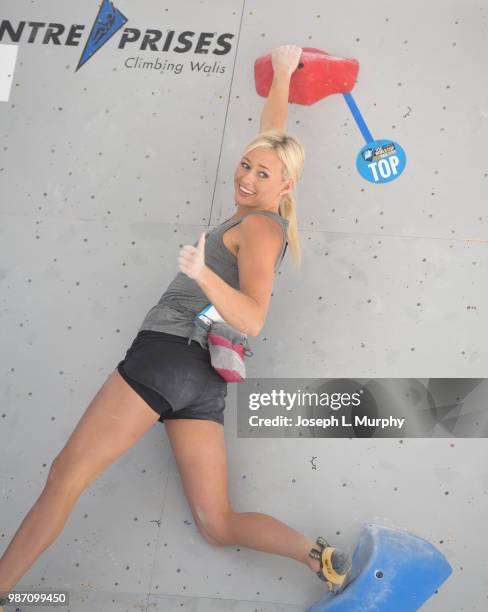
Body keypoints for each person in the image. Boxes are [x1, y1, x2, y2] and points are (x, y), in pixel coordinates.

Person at [0, 45, 352, 610]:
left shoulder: (260, 228)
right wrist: (283, 74)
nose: (247, 175)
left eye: (262, 174)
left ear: (285, 187)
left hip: (167, 357)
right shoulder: (262, 208)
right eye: (246, 164)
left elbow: (254, 316)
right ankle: (319, 558)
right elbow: (272, 139)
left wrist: (200, 274)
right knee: (217, 523)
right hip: (203, 381)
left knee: (66, 474)